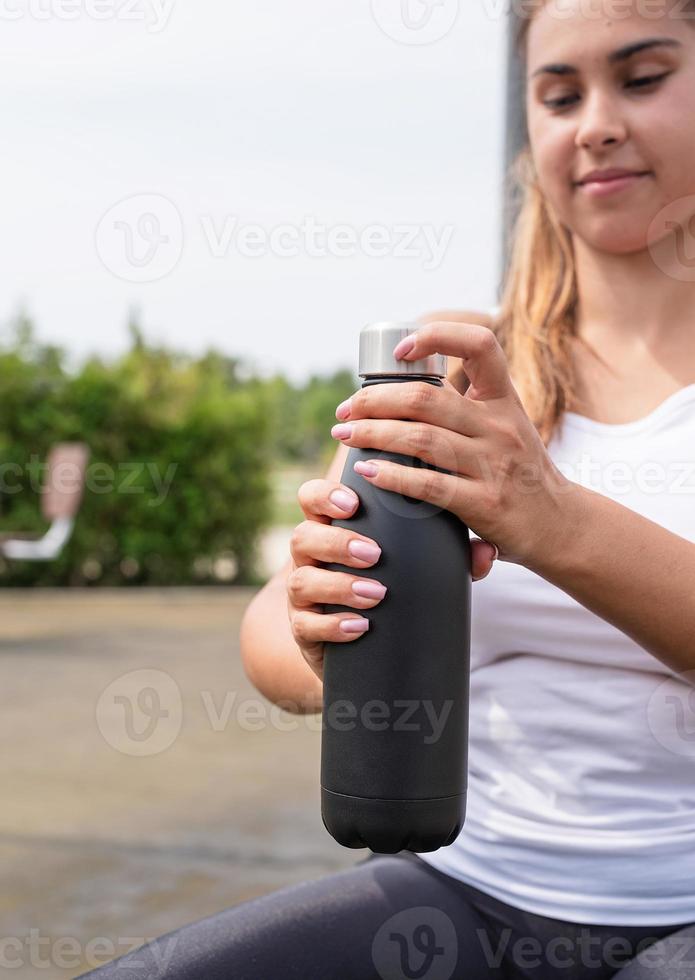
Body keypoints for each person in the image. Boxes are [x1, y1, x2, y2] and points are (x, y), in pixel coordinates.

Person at [79, 1, 695, 977]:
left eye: (643, 77)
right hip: (466, 884)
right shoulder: (455, 372)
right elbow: (272, 640)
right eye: (557, 94)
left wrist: (551, 516)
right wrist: (317, 621)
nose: (593, 123)